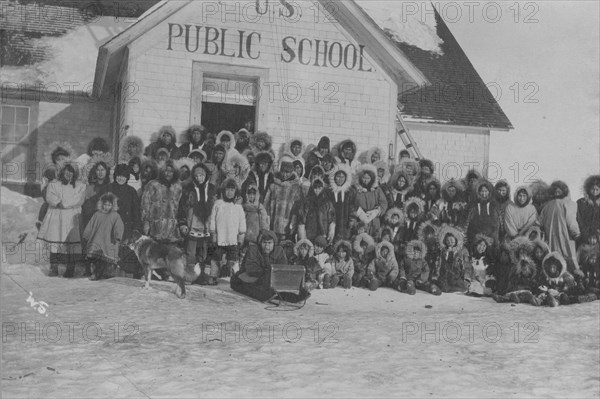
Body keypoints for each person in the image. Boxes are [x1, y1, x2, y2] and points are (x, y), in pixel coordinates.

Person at [37, 164, 86, 277]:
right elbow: (49, 196)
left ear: (75, 173)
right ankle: (54, 267)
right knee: (55, 242)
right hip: (56, 216)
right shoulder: (54, 184)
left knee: (71, 244)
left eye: (71, 172)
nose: (68, 174)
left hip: (71, 217)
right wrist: (57, 203)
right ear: (62, 172)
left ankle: (70, 269)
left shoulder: (80, 185)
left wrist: (64, 204)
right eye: (66, 171)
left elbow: (79, 199)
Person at [178, 163, 217, 278]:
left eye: (201, 175)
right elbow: (182, 207)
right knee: (191, 252)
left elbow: (217, 207)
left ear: (206, 175)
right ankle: (189, 274)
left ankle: (202, 275)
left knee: (204, 252)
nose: (199, 178)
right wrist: (183, 223)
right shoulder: (188, 189)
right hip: (192, 224)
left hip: (207, 226)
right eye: (197, 176)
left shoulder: (211, 189)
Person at [231, 230, 292, 302]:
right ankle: (267, 293)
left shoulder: (279, 251)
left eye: (269, 243)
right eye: (264, 243)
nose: (267, 246)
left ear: (274, 243)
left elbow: (283, 268)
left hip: (271, 280)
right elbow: (251, 268)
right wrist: (266, 272)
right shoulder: (253, 249)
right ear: (260, 243)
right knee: (248, 287)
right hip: (250, 277)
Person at [538, 180, 583, 277]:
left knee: (553, 258)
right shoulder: (568, 203)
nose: (557, 193)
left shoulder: (546, 206)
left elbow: (539, 222)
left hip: (550, 237)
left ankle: (554, 279)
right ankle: (572, 281)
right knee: (568, 258)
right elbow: (571, 221)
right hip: (565, 236)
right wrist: (577, 234)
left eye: (559, 191)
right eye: (556, 191)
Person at [209, 178, 246, 285]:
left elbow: (242, 221)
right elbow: (212, 219)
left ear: (236, 192)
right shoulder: (218, 203)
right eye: (227, 190)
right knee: (216, 257)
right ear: (223, 191)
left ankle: (228, 273)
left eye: (232, 190)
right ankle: (213, 276)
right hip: (220, 237)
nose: (229, 193)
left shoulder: (238, 206)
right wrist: (213, 233)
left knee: (232, 259)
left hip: (232, 238)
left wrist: (241, 236)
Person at [108, 164, 142, 276]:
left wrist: (137, 227)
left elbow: (136, 211)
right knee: (112, 250)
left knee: (125, 251)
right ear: (115, 176)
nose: (120, 178)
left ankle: (125, 275)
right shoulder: (109, 188)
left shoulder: (131, 191)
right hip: (111, 225)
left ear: (127, 177)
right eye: (118, 175)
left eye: (123, 176)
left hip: (127, 226)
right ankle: (111, 273)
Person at [82, 192, 124, 280]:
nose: (107, 207)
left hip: (109, 240)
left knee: (107, 258)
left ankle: (107, 273)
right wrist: (86, 234)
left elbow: (119, 227)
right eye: (105, 205)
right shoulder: (97, 214)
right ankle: (96, 273)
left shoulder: (115, 216)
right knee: (96, 258)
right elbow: (91, 224)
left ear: (113, 205)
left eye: (109, 205)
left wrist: (117, 236)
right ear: (101, 204)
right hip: (97, 239)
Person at [141, 160, 183, 244]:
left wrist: (181, 224)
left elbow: (180, 207)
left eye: (171, 171)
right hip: (155, 228)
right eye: (165, 171)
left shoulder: (178, 187)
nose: (167, 173)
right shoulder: (153, 185)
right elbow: (145, 205)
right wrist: (146, 222)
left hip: (172, 230)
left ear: (175, 173)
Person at [264, 155, 305, 241]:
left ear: (291, 172)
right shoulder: (273, 185)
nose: (285, 174)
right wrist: (267, 219)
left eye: (288, 172)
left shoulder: (296, 187)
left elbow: (298, 207)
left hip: (287, 225)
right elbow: (266, 203)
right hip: (273, 224)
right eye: (283, 171)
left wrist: (293, 223)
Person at [37, 143, 74, 230]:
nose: (61, 161)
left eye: (64, 159)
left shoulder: (70, 171)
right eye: (59, 159)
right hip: (53, 198)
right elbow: (45, 188)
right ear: (55, 161)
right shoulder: (51, 171)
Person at [296, 177, 336, 242]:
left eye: (319, 188)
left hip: (323, 234)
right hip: (310, 234)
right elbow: (301, 219)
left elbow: (332, 218)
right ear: (312, 188)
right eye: (315, 188)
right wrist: (302, 235)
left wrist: (331, 230)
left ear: (322, 188)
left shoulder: (327, 202)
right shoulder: (307, 202)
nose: (317, 190)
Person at [435, 224, 471, 293]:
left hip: (457, 276)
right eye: (447, 241)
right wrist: (438, 273)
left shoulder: (463, 250)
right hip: (445, 276)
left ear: (456, 240)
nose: (450, 243)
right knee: (443, 286)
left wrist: (467, 277)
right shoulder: (443, 251)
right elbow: (439, 264)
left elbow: (467, 265)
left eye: (452, 241)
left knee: (461, 286)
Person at [354, 164, 388, 237]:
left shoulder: (377, 190)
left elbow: (384, 203)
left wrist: (377, 211)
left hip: (374, 221)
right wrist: (359, 212)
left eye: (368, 178)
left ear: (372, 179)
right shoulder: (356, 190)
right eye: (364, 178)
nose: (366, 180)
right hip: (360, 220)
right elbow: (352, 203)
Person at [466, 179, 500, 250]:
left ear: (489, 192)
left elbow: (496, 226)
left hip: (490, 239)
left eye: (486, 191)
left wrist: (490, 239)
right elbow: (470, 224)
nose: (484, 194)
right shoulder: (474, 206)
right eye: (482, 191)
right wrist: (477, 237)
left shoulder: (493, 206)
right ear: (478, 192)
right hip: (476, 238)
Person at [327, 163, 356, 241]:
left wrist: (351, 221)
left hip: (345, 224)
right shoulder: (329, 191)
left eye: (342, 177)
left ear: (346, 178)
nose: (340, 179)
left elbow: (353, 207)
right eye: (338, 176)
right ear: (334, 177)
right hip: (332, 223)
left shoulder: (350, 192)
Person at [576, 175, 600, 245]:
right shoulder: (581, 202)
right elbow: (578, 220)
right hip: (583, 239)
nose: (594, 191)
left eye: (597, 189)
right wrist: (586, 236)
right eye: (593, 189)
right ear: (588, 189)